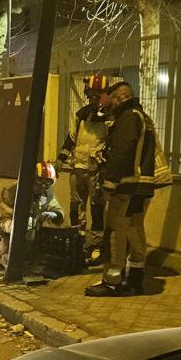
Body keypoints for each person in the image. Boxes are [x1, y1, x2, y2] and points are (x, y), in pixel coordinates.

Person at [85, 81, 157, 297]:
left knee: (115, 233)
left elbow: (121, 153)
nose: (105, 103)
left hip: (125, 186)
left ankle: (112, 282)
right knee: (135, 231)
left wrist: (109, 182)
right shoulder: (142, 116)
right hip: (142, 186)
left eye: (108, 97)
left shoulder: (128, 118)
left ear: (118, 97)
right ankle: (135, 278)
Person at [58, 75, 110, 259]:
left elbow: (112, 145)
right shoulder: (81, 115)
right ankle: (77, 242)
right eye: (91, 95)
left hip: (96, 173)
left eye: (98, 95)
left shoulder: (110, 118)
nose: (94, 99)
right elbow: (72, 138)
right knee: (75, 208)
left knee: (97, 210)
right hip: (78, 169)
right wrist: (59, 160)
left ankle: (97, 246)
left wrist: (103, 169)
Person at [0, 161, 65, 269]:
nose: (41, 188)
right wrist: (18, 228)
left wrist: (55, 214)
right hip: (7, 234)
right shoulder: (13, 192)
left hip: (31, 234)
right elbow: (3, 219)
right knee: (13, 264)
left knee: (34, 262)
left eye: (47, 184)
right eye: (39, 182)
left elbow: (57, 208)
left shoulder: (47, 193)